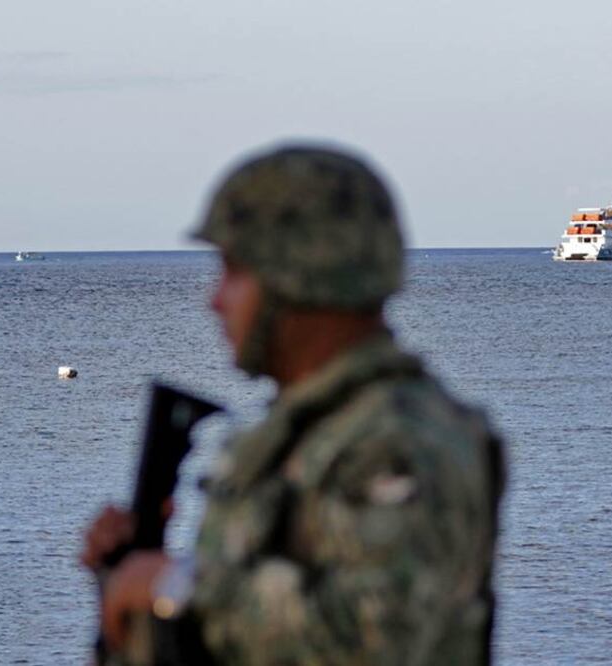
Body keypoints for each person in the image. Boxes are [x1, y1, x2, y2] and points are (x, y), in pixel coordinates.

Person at [82, 144, 506, 665]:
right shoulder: (299, 435)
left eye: (235, 272)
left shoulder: (405, 439)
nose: (214, 300)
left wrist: (175, 584)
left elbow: (382, 640)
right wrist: (128, 582)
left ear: (300, 276)